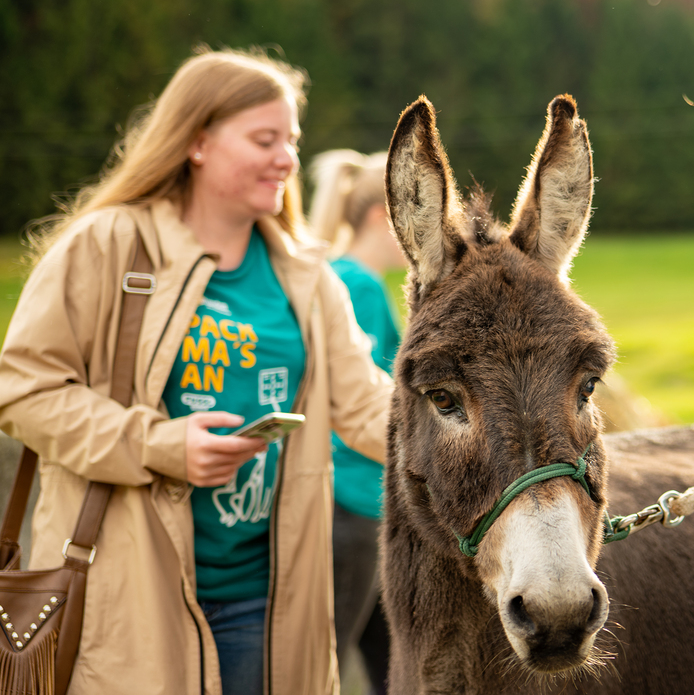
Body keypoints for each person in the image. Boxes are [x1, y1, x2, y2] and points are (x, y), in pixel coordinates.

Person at [0, 48, 394, 694]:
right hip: (124, 597)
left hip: (264, 606)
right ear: (197, 141)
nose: (287, 159)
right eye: (264, 139)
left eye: (291, 140)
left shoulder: (309, 279)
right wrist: (160, 446)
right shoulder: (106, 245)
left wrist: (503, 443)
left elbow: (368, 408)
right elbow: (22, 390)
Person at [309, 149, 405, 694]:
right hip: (355, 500)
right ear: (378, 216)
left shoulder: (342, 278)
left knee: (384, 657)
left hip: (352, 500)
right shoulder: (359, 287)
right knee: (332, 657)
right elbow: (360, 402)